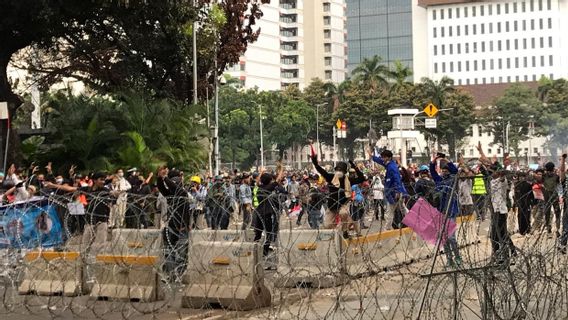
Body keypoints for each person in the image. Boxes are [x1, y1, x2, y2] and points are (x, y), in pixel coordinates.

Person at [311, 154, 365, 238]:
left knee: (343, 213)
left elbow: (362, 178)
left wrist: (354, 166)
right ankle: (339, 230)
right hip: (332, 206)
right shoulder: (331, 177)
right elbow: (321, 171)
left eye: (341, 170)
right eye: (338, 170)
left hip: (343, 204)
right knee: (327, 225)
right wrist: (315, 163)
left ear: (344, 172)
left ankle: (344, 231)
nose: (339, 172)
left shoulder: (348, 180)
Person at [429, 155, 462, 268]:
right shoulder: (439, 181)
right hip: (442, 211)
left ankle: (458, 257)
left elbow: (455, 170)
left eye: (446, 170)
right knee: (445, 238)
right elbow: (432, 171)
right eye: (442, 170)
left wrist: (447, 160)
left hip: (451, 210)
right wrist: (435, 160)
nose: (444, 172)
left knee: (451, 237)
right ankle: (449, 259)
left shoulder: (452, 180)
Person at [369, 149, 408, 229]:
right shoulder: (389, 164)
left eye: (383, 157)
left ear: (388, 158)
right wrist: (372, 156)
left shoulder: (392, 167)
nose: (382, 159)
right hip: (394, 191)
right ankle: (412, 220)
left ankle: (387, 228)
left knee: (390, 211)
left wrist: (397, 191)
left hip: (394, 193)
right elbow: (380, 161)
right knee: (402, 208)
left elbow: (397, 179)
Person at [254, 167, 285, 257]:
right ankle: (265, 252)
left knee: (258, 233)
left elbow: (257, 181)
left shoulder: (259, 187)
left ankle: (254, 249)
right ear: (269, 181)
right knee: (269, 233)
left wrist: (261, 172)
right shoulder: (268, 188)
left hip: (258, 213)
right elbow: (278, 180)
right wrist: (281, 171)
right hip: (266, 213)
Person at [542, 162, 561, 237]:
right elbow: (558, 186)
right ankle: (557, 229)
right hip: (553, 195)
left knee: (548, 213)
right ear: (553, 168)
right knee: (557, 212)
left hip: (547, 195)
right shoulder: (556, 176)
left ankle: (549, 229)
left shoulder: (544, 176)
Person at [514, 171, 534, 236]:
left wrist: (532, 202)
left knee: (527, 215)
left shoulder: (528, 185)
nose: (521, 178)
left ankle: (527, 229)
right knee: (520, 216)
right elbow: (515, 195)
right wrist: (515, 203)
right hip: (520, 202)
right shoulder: (516, 185)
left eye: (523, 177)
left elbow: (531, 194)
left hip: (527, 202)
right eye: (520, 177)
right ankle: (521, 230)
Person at [558, 154, 568, 254]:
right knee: (566, 227)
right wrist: (563, 159)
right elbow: (561, 171)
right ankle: (563, 244)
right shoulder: (565, 180)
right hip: (567, 206)